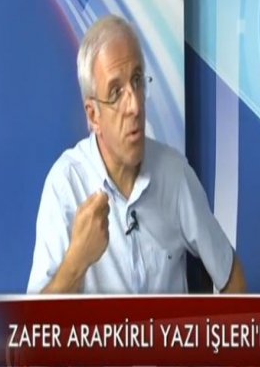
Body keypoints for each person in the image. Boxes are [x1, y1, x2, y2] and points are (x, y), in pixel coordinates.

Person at [27, 15, 246, 294]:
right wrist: (76, 262)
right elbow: (35, 318)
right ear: (93, 115)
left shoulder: (174, 174)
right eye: (116, 92)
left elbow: (231, 275)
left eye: (138, 80)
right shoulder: (65, 185)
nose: (135, 106)